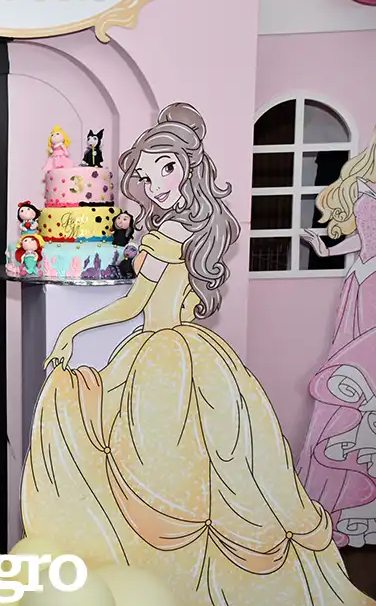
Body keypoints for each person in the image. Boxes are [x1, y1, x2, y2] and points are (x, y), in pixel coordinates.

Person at [21, 103, 376, 605]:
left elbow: (134, 305)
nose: (156, 185)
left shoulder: (168, 232)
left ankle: (172, 583)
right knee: (221, 475)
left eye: (165, 169)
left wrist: (73, 330)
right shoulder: (203, 225)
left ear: (189, 166)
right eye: (147, 177)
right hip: (202, 355)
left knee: (162, 476)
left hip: (161, 358)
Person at [297, 127, 376, 548]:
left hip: (367, 278)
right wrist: (327, 250)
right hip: (366, 282)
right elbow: (366, 238)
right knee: (355, 371)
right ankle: (347, 506)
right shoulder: (363, 187)